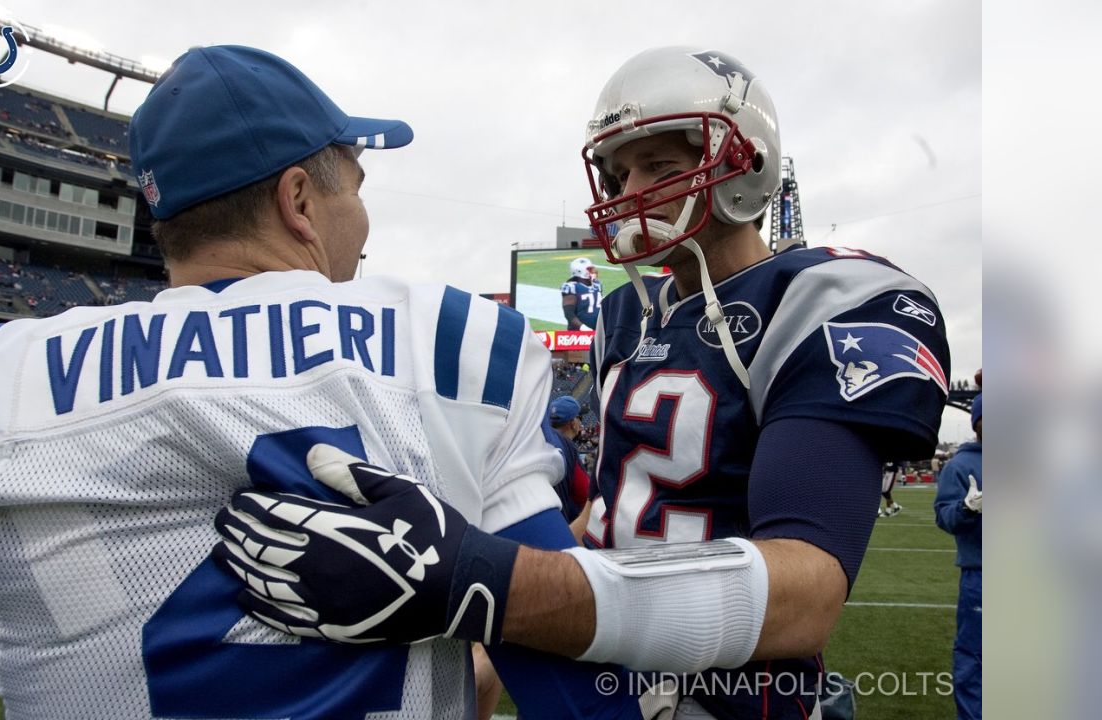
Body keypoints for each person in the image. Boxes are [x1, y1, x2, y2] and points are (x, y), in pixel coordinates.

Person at [215, 46, 951, 719]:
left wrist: (490, 582)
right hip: (610, 679)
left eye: (661, 166)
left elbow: (809, 593)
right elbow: (615, 518)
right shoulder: (627, 315)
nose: (631, 191)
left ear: (746, 161)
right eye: (619, 172)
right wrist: (494, 630)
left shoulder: (827, 297)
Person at [0, 45, 639, 720]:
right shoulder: (453, 343)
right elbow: (573, 683)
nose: (363, 225)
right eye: (357, 189)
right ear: (299, 200)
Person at [934, 393, 982, 720]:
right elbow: (945, 518)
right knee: (975, 657)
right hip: (983, 574)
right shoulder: (960, 465)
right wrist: (967, 509)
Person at [546, 395, 592, 523]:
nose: (581, 422)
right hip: (568, 522)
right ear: (572, 423)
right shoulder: (566, 447)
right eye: (579, 417)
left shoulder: (544, 442)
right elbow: (584, 494)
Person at [562, 257, 603, 330]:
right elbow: (569, 313)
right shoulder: (572, 286)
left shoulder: (597, 284)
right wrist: (583, 328)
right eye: (589, 269)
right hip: (578, 333)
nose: (593, 271)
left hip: (597, 330)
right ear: (579, 271)